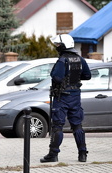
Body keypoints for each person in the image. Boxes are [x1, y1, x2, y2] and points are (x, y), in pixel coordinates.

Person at [40, 34, 91, 163]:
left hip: (62, 97)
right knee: (77, 125)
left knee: (57, 126)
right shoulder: (80, 59)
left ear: (63, 46)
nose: (57, 47)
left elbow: (56, 77)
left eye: (58, 45)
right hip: (75, 96)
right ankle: (82, 153)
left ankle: (53, 154)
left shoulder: (63, 60)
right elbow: (87, 75)